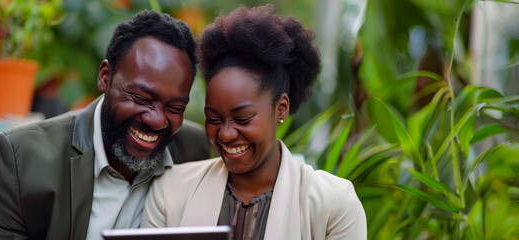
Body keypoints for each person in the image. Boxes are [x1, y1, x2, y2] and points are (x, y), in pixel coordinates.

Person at [0, 10, 210, 240]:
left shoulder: (192, 151)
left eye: (175, 108)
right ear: (105, 77)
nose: (157, 120)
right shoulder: (19, 160)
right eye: (141, 98)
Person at [142, 5, 366, 239]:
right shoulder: (170, 191)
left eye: (242, 118)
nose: (226, 134)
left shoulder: (333, 205)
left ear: (281, 108)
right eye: (214, 119)